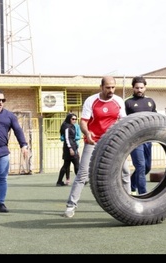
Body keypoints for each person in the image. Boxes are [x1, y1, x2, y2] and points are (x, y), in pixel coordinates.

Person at [63, 76, 131, 218]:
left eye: (113, 87)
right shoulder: (91, 101)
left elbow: (124, 121)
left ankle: (128, 205)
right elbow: (83, 122)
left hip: (113, 141)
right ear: (101, 87)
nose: (111, 90)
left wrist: (124, 140)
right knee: (82, 174)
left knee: (125, 172)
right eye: (108, 87)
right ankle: (71, 205)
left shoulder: (118, 101)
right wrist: (87, 133)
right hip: (93, 141)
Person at [124, 76, 157, 195]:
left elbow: (156, 118)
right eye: (137, 88)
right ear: (133, 88)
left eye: (141, 87)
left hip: (148, 139)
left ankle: (132, 185)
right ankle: (143, 194)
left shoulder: (151, 101)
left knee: (147, 167)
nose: (139, 90)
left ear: (145, 87)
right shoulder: (128, 103)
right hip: (135, 140)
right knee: (141, 166)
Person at [56, 113, 80, 186]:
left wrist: (76, 149)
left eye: (76, 119)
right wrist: (70, 148)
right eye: (73, 119)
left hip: (72, 146)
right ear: (69, 119)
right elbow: (67, 138)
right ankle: (81, 180)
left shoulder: (72, 126)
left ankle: (59, 181)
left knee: (66, 165)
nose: (74, 120)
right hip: (69, 148)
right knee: (76, 164)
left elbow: (73, 138)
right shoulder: (67, 127)